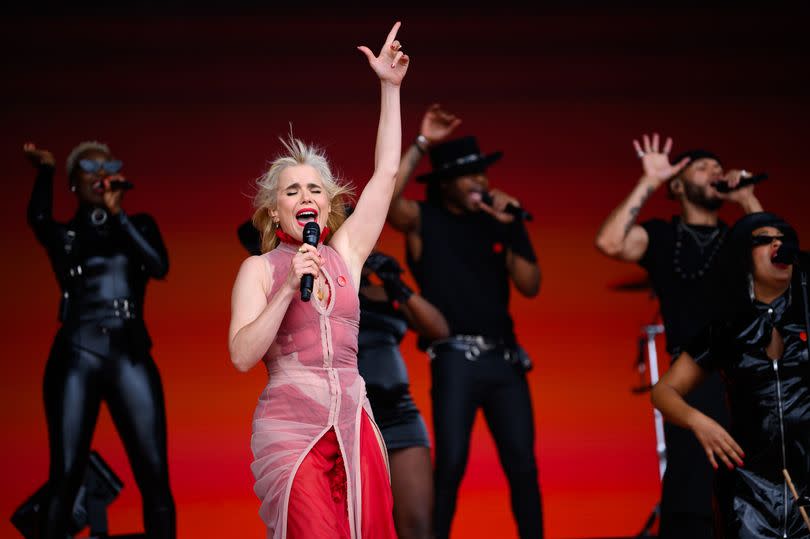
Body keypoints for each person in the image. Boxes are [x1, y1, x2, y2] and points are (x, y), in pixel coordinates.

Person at [228, 23, 409, 539]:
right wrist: (288, 288)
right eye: (291, 190)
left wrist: (390, 89)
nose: (304, 196)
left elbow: (387, 174)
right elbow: (242, 356)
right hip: (292, 430)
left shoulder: (345, 253)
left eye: (314, 188)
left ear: (329, 205)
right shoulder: (258, 271)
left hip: (354, 422)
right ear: (273, 209)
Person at [594, 133, 764, 537]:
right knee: (691, 489)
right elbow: (609, 241)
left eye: (718, 169)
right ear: (677, 184)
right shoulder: (662, 235)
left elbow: (775, 266)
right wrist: (648, 181)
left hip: (747, 373)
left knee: (755, 488)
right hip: (692, 377)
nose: (715, 173)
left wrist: (747, 199)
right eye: (703, 167)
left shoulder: (739, 237)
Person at [387, 104, 543, 538]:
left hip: (506, 361)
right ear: (445, 184)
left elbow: (531, 285)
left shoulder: (497, 224)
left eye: (483, 173)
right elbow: (386, 200)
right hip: (456, 359)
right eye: (469, 175)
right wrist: (420, 144)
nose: (480, 182)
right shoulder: (424, 220)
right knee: (451, 462)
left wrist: (513, 228)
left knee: (523, 466)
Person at [237, 220, 449, 539]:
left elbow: (439, 329)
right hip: (334, 417)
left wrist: (397, 285)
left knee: (417, 527)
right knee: (341, 524)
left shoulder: (375, 287)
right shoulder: (300, 291)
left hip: (397, 411)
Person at [24, 141, 175, 538]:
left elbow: (159, 266)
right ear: (74, 181)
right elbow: (38, 218)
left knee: (155, 475)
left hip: (130, 353)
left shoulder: (138, 224)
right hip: (78, 351)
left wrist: (118, 216)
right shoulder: (69, 234)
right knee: (66, 473)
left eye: (108, 166)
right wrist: (46, 170)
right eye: (89, 166)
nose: (101, 172)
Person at [651, 212, 810, 538]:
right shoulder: (726, 328)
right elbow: (663, 391)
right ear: (743, 257)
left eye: (783, 239)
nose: (778, 245)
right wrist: (699, 422)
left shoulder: (805, 313)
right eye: (763, 240)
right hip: (748, 495)